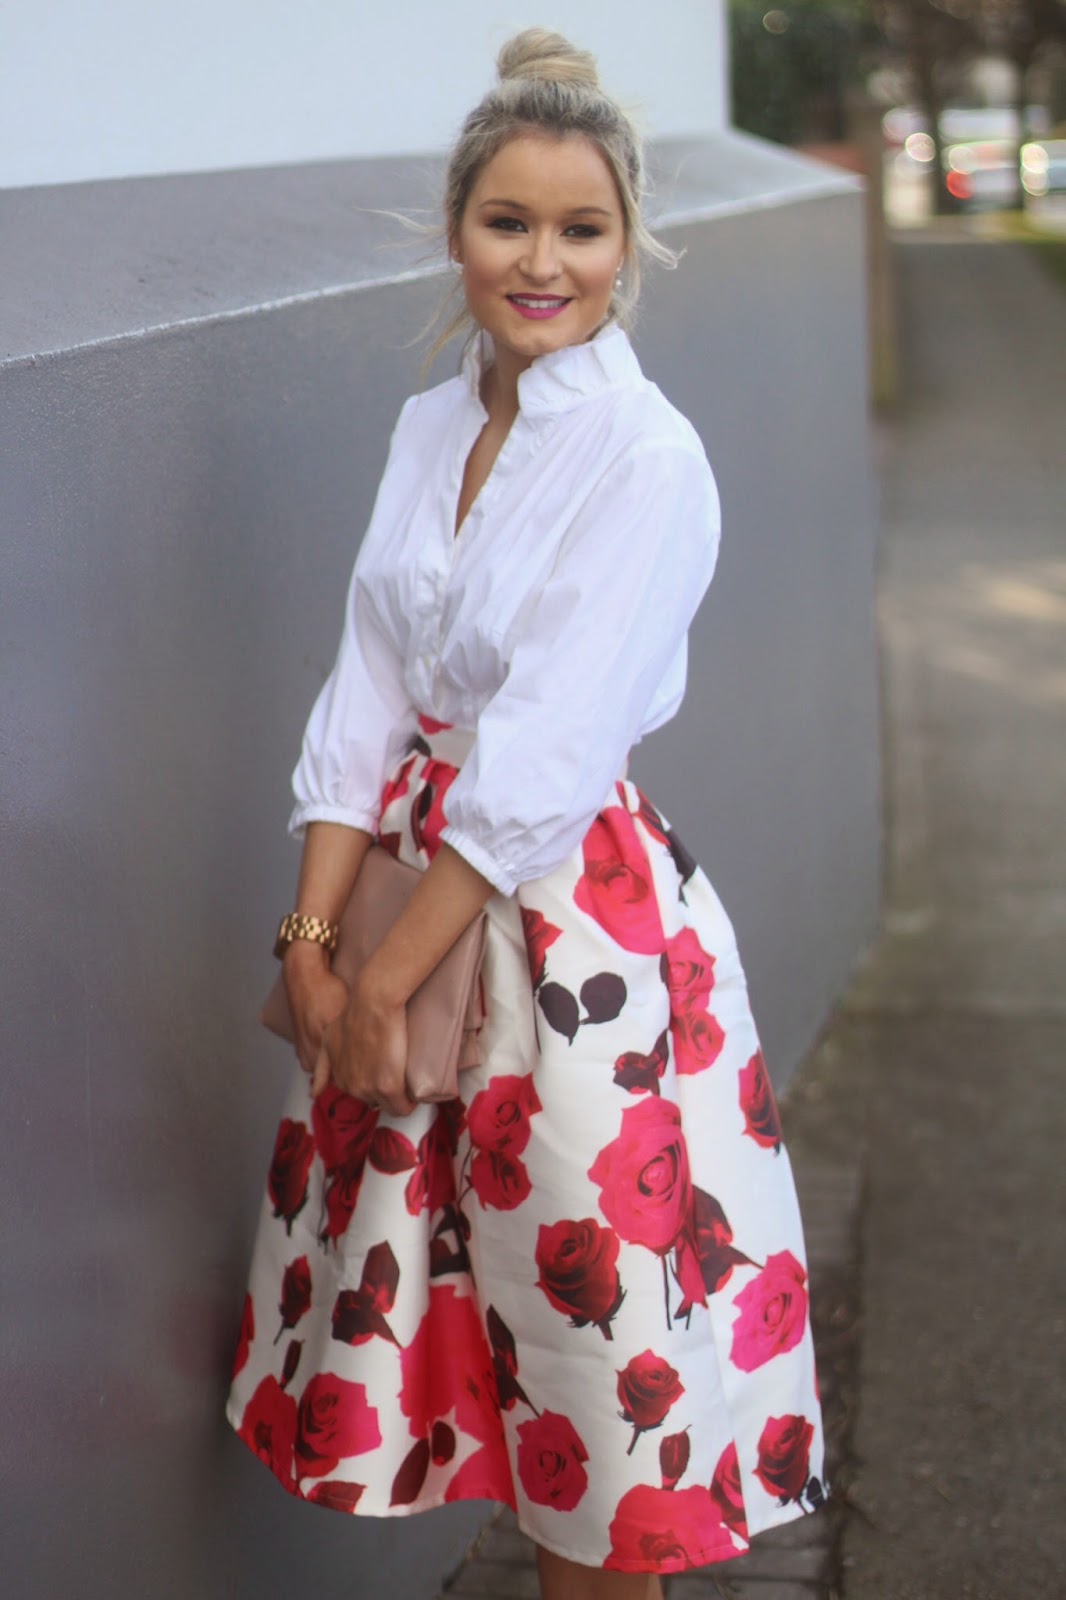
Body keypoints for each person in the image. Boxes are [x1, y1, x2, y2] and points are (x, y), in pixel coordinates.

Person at [227, 28, 826, 1599]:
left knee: (592, 1378)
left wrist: (378, 984)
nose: (542, 263)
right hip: (397, 907)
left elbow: (540, 769)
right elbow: (362, 694)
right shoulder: (430, 425)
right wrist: (307, 942)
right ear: (456, 228)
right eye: (509, 222)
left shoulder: (646, 456)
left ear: (629, 243)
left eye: (581, 228)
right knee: (462, 1349)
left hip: (562, 940)